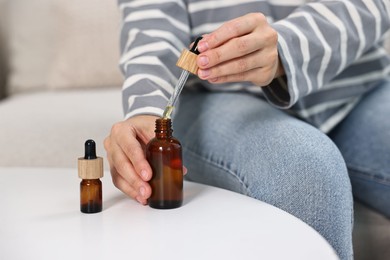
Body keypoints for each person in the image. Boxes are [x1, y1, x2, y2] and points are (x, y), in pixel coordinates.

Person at [104, 1, 390, 259]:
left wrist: (285, 50)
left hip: (356, 86)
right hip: (219, 97)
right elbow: (152, 24)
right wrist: (146, 111)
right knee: (302, 167)